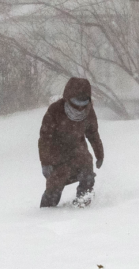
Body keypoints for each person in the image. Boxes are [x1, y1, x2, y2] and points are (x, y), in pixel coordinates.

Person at [38, 77, 104, 208]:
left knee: (87, 176)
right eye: (75, 102)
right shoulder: (55, 110)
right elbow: (45, 138)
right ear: (68, 98)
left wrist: (99, 154)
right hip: (57, 154)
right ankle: (45, 213)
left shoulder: (89, 111)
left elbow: (93, 134)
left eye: (83, 102)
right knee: (54, 187)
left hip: (79, 151)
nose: (80, 107)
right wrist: (45, 162)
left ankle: (83, 203)